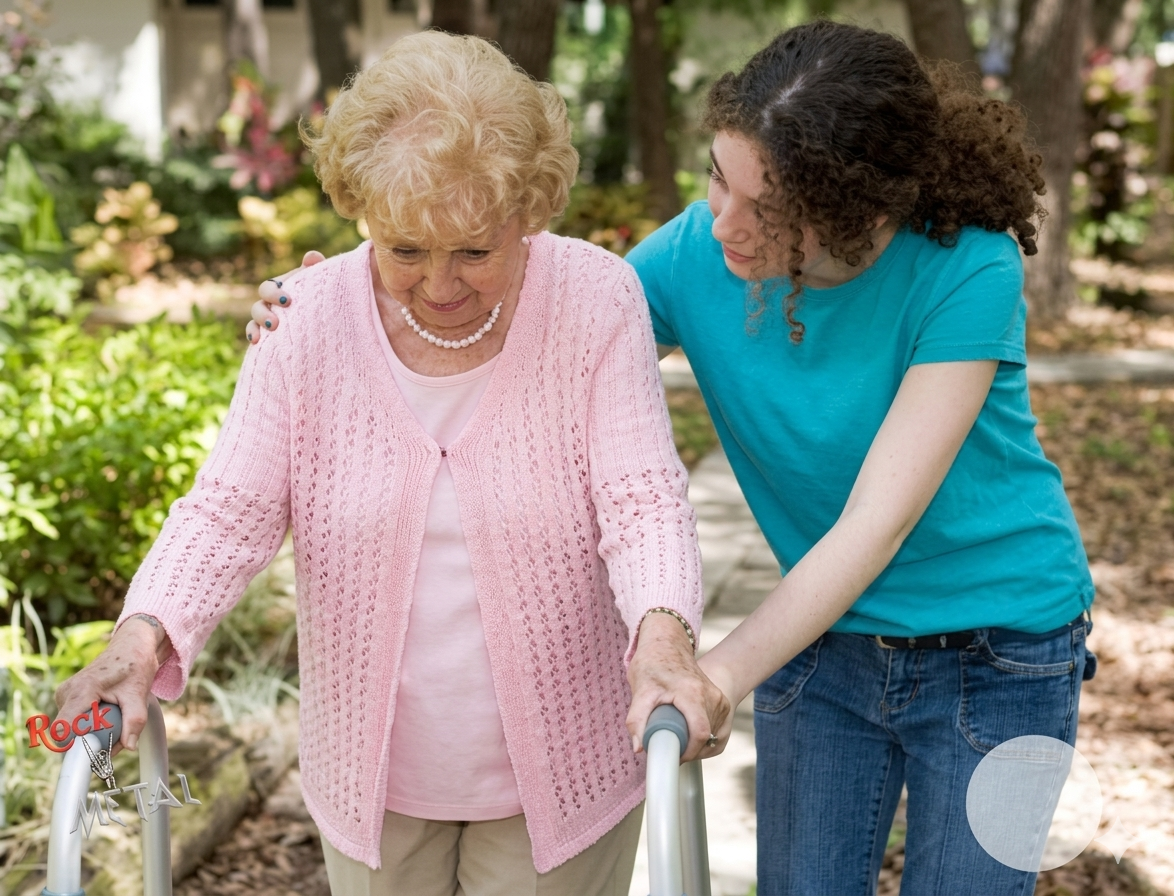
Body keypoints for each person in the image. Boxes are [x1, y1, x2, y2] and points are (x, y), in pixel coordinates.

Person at [253, 21, 1098, 895]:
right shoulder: (699, 252)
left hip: (1005, 651)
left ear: (858, 212)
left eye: (764, 209)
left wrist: (710, 675)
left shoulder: (969, 267)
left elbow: (876, 526)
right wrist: (353, 313)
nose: (722, 223)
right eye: (715, 181)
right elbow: (543, 325)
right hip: (824, 642)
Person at [54, 31, 730, 896]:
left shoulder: (597, 299)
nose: (440, 284)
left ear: (529, 210)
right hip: (373, 786)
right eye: (404, 248)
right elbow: (228, 509)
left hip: (563, 774)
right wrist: (140, 637)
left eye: (476, 251)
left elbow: (641, 500)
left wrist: (664, 639)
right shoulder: (303, 320)